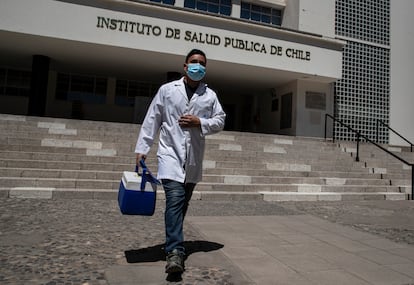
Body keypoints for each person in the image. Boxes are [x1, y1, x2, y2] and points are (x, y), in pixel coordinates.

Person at [134, 49, 226, 274]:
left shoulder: (210, 95)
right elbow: (153, 118)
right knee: (174, 200)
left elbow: (220, 121)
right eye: (193, 62)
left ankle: (172, 239)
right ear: (185, 66)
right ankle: (175, 252)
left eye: (202, 63)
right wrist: (142, 148)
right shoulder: (167, 90)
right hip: (170, 154)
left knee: (181, 204)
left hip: (193, 159)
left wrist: (200, 122)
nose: (197, 66)